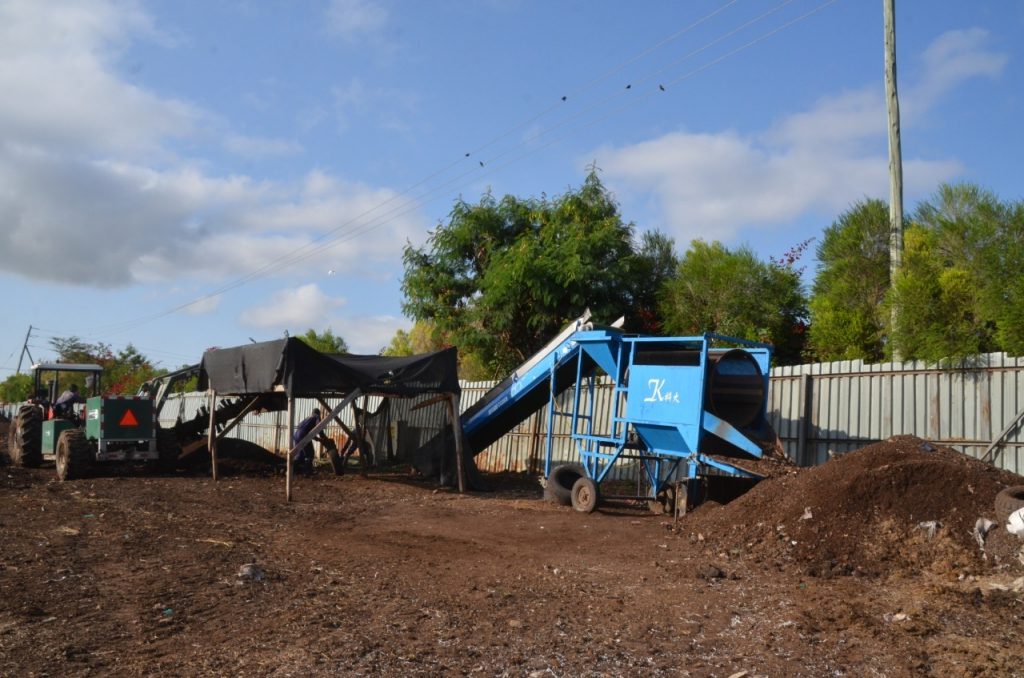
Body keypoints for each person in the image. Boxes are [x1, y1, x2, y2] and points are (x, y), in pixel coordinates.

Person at [292, 408, 323, 474]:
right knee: (310, 453)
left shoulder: (308, 418)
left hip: (296, 434)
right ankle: (307, 471)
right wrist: (323, 437)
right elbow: (319, 426)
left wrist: (317, 439)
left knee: (300, 454)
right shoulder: (316, 416)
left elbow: (307, 430)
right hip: (303, 435)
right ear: (318, 413)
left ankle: (294, 470)